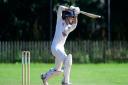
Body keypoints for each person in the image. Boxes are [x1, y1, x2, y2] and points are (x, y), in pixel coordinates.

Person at [41, 5, 80, 85]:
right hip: (55, 47)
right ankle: (65, 82)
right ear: (66, 16)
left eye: (73, 18)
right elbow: (60, 8)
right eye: (71, 17)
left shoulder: (69, 27)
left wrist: (76, 14)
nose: (72, 19)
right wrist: (70, 8)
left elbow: (75, 24)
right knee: (68, 60)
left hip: (61, 49)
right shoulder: (60, 20)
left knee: (58, 71)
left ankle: (45, 77)